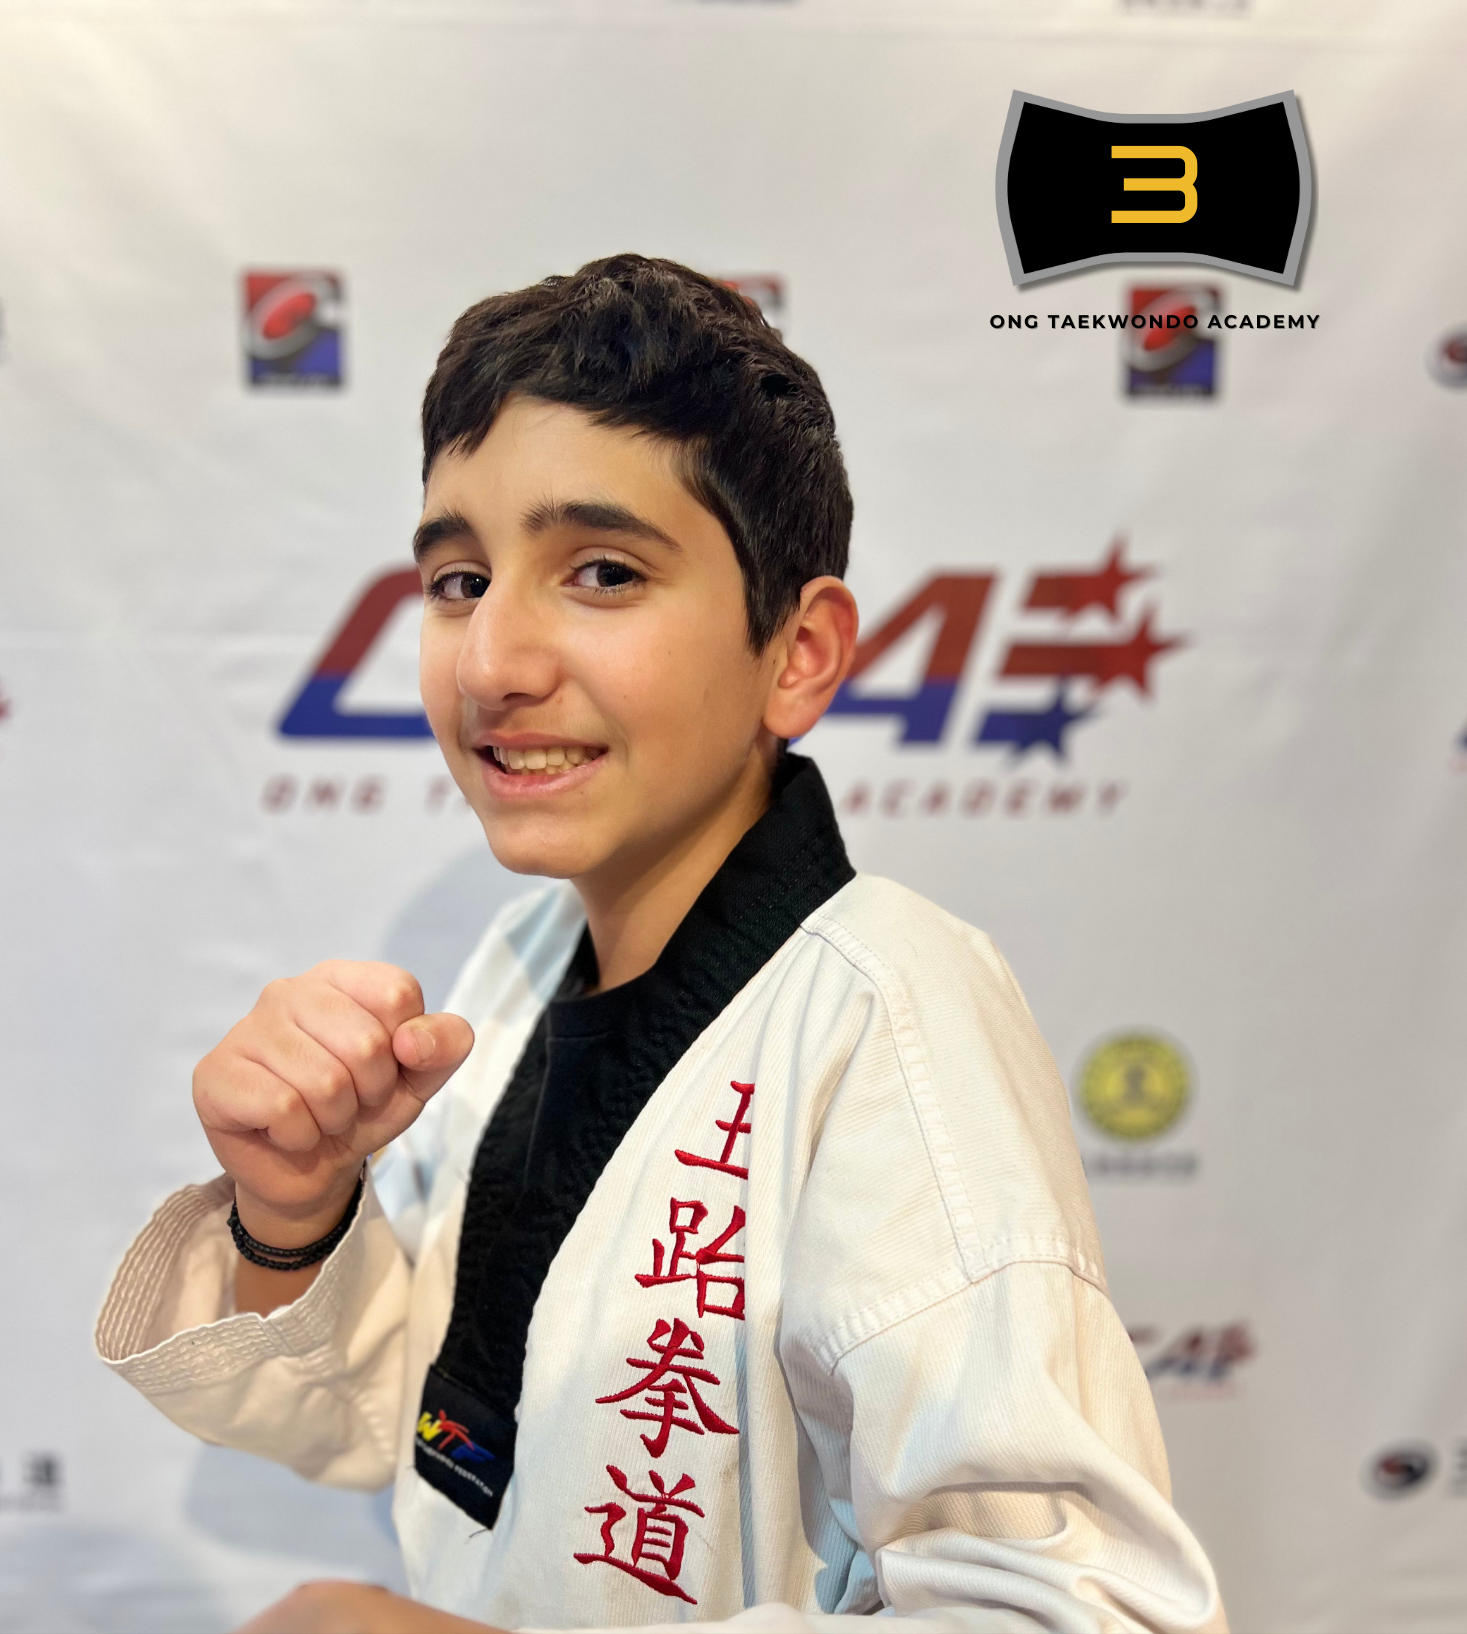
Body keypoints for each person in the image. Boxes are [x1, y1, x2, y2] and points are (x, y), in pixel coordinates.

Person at [97, 255, 1225, 1634]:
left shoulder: (885, 1008)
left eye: (603, 571)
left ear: (797, 652)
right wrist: (293, 1214)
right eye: (458, 577)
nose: (492, 659)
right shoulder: (520, 964)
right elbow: (453, 1435)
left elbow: (1083, 1613)